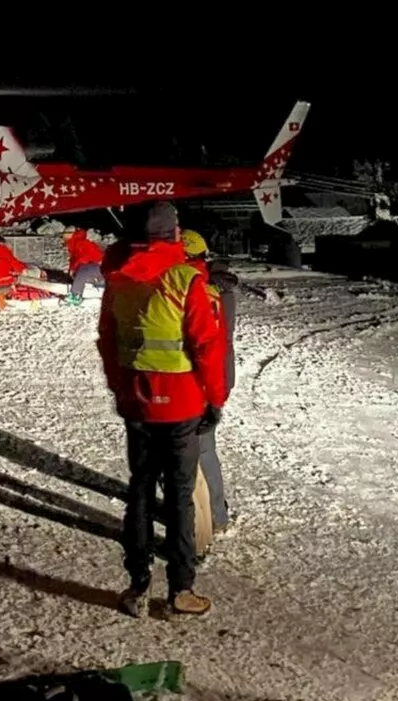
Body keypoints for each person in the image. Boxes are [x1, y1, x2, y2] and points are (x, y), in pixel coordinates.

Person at [97, 202, 227, 618]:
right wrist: (215, 398)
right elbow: (207, 347)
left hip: (137, 402)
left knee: (139, 490)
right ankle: (180, 590)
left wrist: (121, 389)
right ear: (174, 235)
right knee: (179, 497)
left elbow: (108, 341)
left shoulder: (118, 281)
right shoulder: (185, 280)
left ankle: (137, 584)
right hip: (184, 405)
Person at [181, 229, 240, 534]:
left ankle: (210, 518)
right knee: (204, 448)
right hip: (217, 376)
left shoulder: (196, 289)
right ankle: (214, 514)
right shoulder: (217, 287)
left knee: (197, 450)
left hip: (201, 379)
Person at [63, 228, 105, 306]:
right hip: (94, 272)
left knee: (84, 268)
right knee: (82, 270)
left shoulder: (81, 243)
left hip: (99, 269)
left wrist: (73, 269)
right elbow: (74, 260)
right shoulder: (74, 245)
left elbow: (84, 259)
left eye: (64, 235)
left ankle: (75, 295)